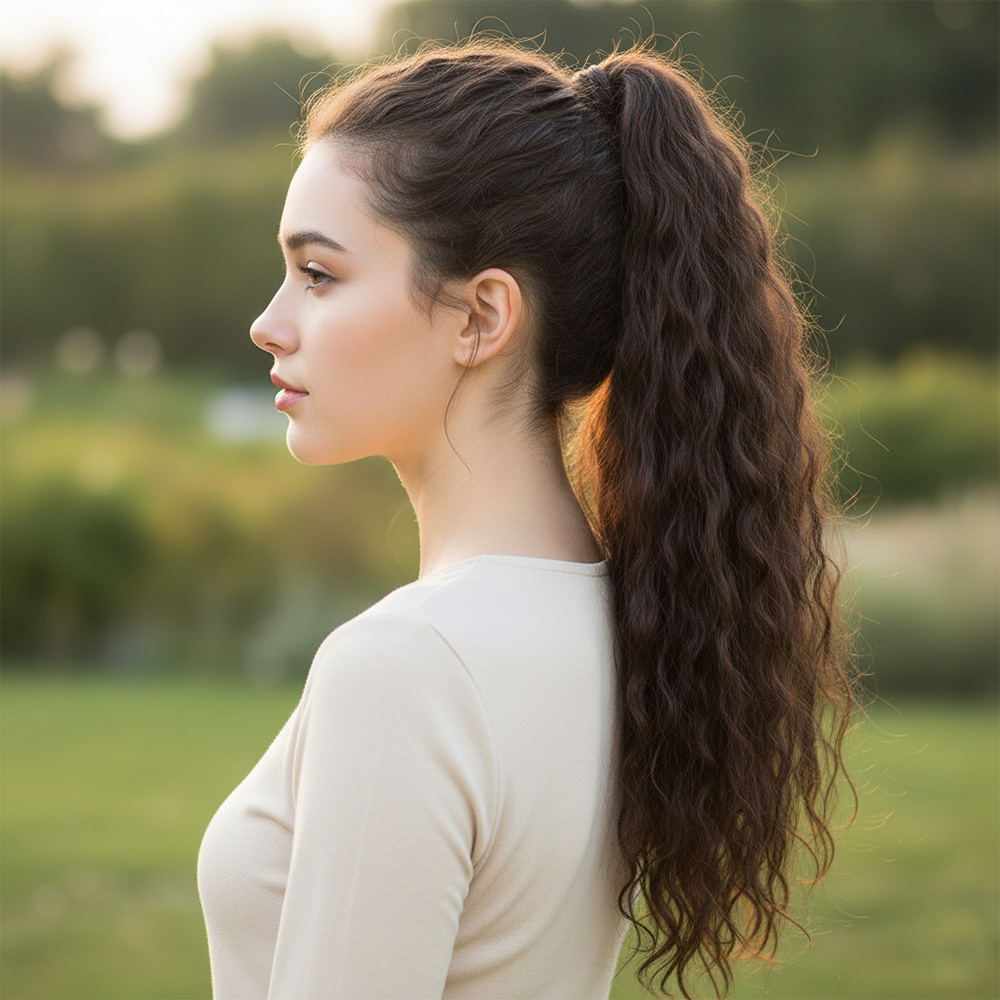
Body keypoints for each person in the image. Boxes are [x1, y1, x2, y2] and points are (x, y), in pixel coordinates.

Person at [197, 38, 855, 1000]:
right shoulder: (620, 621)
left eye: (320, 274)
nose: (270, 321)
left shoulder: (407, 667)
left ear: (481, 318)